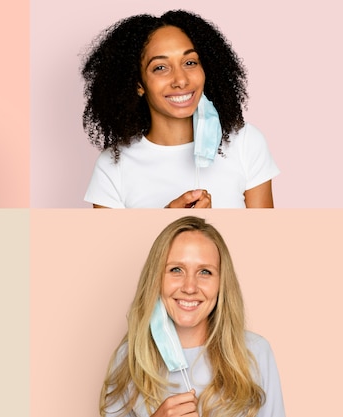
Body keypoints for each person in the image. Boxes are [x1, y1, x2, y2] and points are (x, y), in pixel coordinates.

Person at [82, 10, 279, 208]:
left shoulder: (246, 144)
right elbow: (107, 240)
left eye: (190, 62)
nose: (181, 80)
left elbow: (267, 238)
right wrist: (169, 223)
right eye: (160, 67)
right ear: (138, 84)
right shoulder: (112, 166)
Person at [101, 216, 284, 417]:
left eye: (205, 272)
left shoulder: (255, 352)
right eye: (176, 270)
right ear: (156, 278)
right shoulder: (129, 357)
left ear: (221, 283)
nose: (190, 287)